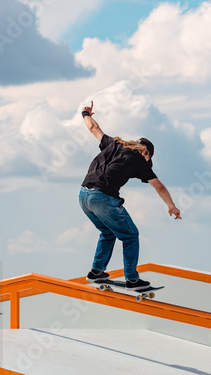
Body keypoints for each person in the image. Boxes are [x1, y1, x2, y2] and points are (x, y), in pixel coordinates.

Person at [79, 101, 181, 291]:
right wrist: (171, 206)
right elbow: (159, 186)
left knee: (108, 231)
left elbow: (93, 128)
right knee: (130, 235)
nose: (148, 162)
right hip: (102, 197)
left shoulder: (114, 144)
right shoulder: (139, 158)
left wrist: (85, 113)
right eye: (149, 158)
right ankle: (132, 279)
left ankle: (97, 271)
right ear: (145, 152)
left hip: (83, 196)